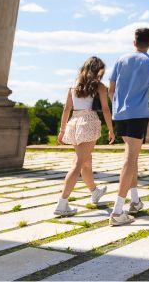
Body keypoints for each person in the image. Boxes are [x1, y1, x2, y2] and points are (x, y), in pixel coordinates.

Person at [108, 27, 149, 226]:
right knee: (130, 159)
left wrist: (117, 106)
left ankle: (135, 201)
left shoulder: (121, 60)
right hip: (138, 114)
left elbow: (111, 89)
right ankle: (116, 211)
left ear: (134, 42)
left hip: (120, 114)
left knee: (133, 157)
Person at [54, 56, 115, 216]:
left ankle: (94, 191)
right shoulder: (100, 86)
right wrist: (111, 129)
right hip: (88, 121)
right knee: (79, 163)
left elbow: (66, 109)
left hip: (74, 122)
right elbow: (105, 109)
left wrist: (62, 130)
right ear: (99, 71)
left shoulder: (73, 86)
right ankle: (62, 203)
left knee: (86, 161)